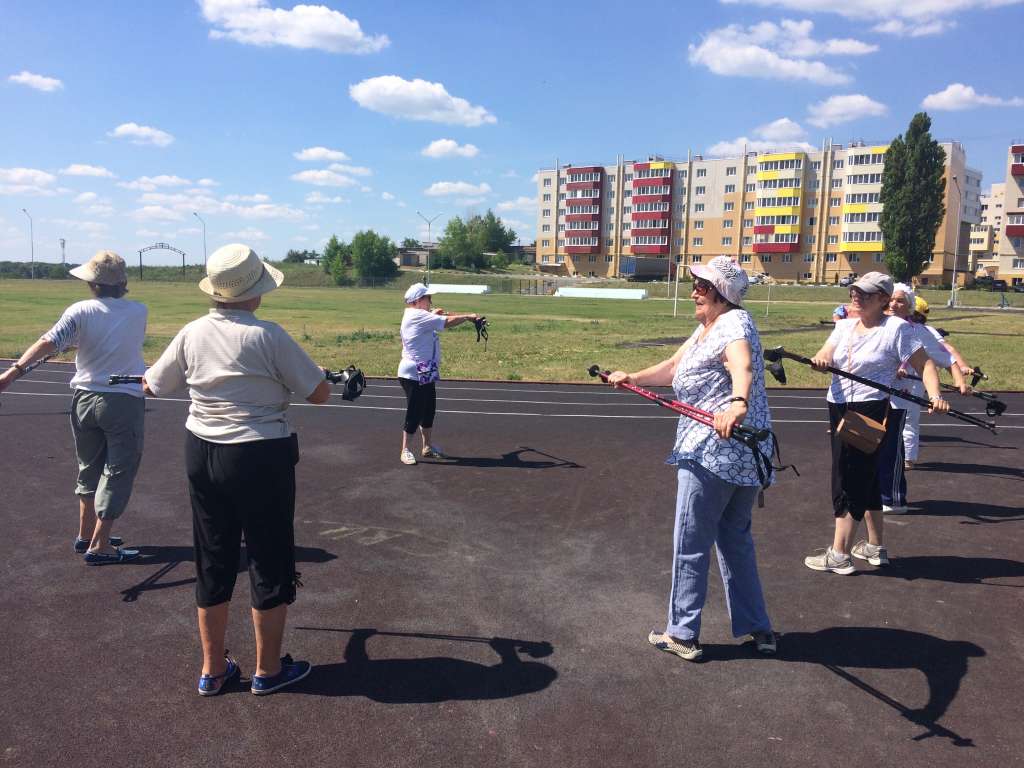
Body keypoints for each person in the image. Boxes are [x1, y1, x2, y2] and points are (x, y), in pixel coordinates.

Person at [143, 244, 331, 697]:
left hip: (202, 450)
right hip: (260, 454)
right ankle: (267, 670)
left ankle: (213, 669)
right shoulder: (268, 335)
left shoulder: (192, 332)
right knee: (268, 556)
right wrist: (313, 374)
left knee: (213, 555)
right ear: (255, 291)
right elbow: (319, 393)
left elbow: (155, 383)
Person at [607, 256, 776, 662]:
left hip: (712, 454)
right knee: (735, 542)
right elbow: (672, 368)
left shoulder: (733, 324)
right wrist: (632, 377)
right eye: (696, 282)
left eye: (702, 284)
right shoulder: (708, 328)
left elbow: (742, 363)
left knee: (691, 542)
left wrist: (737, 403)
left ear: (722, 292)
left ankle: (681, 633)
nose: (694, 290)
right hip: (742, 459)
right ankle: (758, 629)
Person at [0, 250, 146, 564]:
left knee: (88, 468)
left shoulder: (80, 310)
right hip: (122, 401)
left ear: (92, 283)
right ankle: (100, 544)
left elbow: (49, 341)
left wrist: (12, 373)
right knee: (118, 470)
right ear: (122, 283)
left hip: (83, 399)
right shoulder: (139, 311)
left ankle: (86, 534)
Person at [804, 273, 949, 575]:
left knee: (848, 477)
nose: (856, 296)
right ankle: (873, 546)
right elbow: (827, 352)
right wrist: (820, 359)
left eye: (866, 293)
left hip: (870, 409)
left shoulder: (896, 329)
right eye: (855, 291)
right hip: (839, 405)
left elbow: (926, 365)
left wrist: (935, 395)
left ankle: (839, 554)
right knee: (867, 477)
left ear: (883, 299)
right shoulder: (844, 325)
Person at [888, 286, 967, 481]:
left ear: (910, 306)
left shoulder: (920, 331)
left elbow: (945, 357)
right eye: (890, 299)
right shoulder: (879, 325)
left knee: (907, 419)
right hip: (882, 383)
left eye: (900, 301)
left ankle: (907, 458)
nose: (893, 304)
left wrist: (959, 381)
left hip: (911, 383)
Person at [397, 282, 480, 465]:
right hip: (413, 372)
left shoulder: (419, 315)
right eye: (428, 298)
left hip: (426, 369)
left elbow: (433, 320)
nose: (431, 301)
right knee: (415, 411)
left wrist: (434, 314)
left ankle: (427, 447)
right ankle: (405, 450)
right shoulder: (417, 315)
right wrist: (468, 317)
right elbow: (446, 322)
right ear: (418, 301)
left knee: (429, 410)